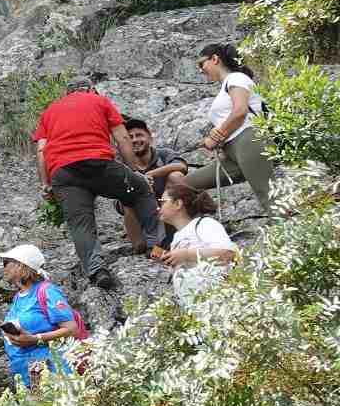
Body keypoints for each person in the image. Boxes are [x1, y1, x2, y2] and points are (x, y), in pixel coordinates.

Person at [31, 76, 163, 290]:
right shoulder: (100, 101)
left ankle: (97, 270)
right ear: (91, 90)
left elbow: (41, 151)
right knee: (139, 191)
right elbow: (122, 138)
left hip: (63, 173)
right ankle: (156, 245)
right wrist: (136, 171)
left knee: (80, 222)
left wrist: (45, 184)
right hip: (98, 163)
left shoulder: (50, 112)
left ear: (67, 93)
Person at [181, 43, 275, 215]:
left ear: (215, 59)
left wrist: (215, 138)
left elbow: (240, 111)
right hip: (233, 150)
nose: (201, 70)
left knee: (269, 198)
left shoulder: (236, 78)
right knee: (185, 185)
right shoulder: (228, 84)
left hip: (249, 140)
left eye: (201, 64)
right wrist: (219, 139)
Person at [0, 243, 77, 388]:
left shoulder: (47, 291)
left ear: (21, 266)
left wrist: (35, 339)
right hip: (27, 366)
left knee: (51, 402)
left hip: (47, 363)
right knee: (39, 404)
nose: (4, 267)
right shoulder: (18, 297)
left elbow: (71, 329)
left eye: (7, 262)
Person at [157, 180, 237, 303]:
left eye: (162, 202)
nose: (158, 207)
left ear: (178, 203)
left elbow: (227, 254)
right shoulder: (176, 238)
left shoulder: (205, 223)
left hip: (217, 300)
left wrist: (186, 255)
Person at [114, 116, 189, 244]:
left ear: (150, 137)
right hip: (138, 210)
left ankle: (173, 234)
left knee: (176, 176)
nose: (135, 140)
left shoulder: (163, 154)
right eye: (130, 137)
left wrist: (151, 174)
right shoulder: (122, 163)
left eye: (139, 135)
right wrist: (139, 183)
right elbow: (118, 200)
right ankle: (146, 241)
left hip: (166, 203)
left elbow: (182, 166)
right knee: (140, 247)